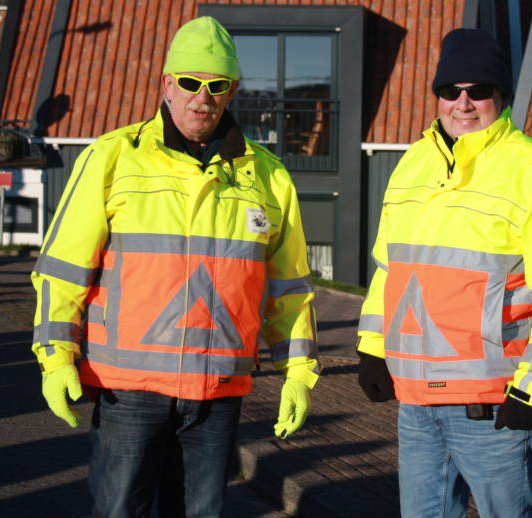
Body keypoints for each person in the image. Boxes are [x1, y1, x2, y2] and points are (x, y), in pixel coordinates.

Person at [30, 16, 319, 518]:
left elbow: (289, 288)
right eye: (190, 82)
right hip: (129, 391)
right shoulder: (114, 157)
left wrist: (298, 371)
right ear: (166, 83)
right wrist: (55, 355)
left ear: (231, 91)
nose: (201, 97)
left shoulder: (268, 177)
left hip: (216, 393)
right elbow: (64, 267)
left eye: (217, 85)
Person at [356, 28, 532, 518]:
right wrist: (372, 348)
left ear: (500, 96)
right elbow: (390, 270)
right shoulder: (412, 165)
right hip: (416, 404)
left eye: (479, 90)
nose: (463, 103)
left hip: (491, 407)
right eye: (451, 90)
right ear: (438, 96)